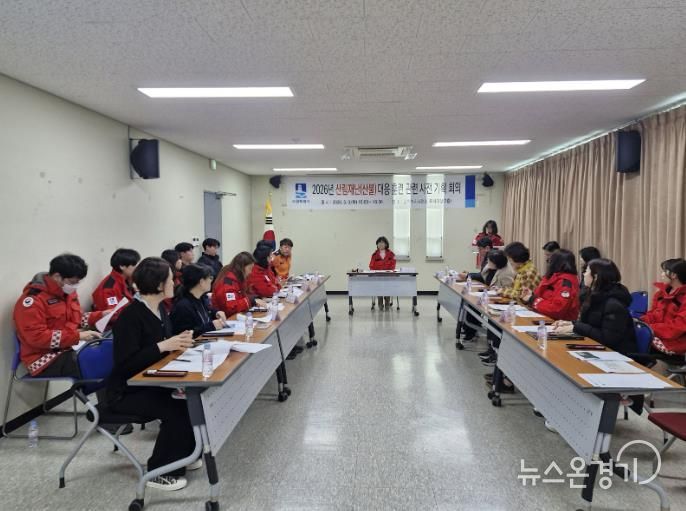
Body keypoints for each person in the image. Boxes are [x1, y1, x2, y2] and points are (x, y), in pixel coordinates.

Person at [107, 257, 198, 491]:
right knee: (176, 409)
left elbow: (160, 346)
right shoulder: (130, 316)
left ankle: (183, 456)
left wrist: (178, 342)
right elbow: (126, 363)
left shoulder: (160, 310)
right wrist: (164, 346)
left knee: (190, 400)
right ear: (158, 284)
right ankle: (160, 471)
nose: (174, 283)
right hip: (125, 391)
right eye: (170, 280)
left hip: (151, 381)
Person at [13, 254, 104, 377]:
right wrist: (77, 336)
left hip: (68, 347)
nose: (75, 286)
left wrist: (101, 315)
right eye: (72, 282)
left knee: (105, 349)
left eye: (78, 282)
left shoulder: (67, 292)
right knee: (94, 362)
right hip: (43, 359)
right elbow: (37, 337)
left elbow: (76, 319)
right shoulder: (33, 301)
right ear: (57, 276)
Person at [552, 258, 637, 355]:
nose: (584, 274)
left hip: (617, 354)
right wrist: (570, 323)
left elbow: (608, 339)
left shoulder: (614, 305)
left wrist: (575, 327)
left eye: (586, 271)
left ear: (595, 276)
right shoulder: (594, 296)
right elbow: (592, 323)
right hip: (598, 349)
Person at [642, 259, 686, 355]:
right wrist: (640, 321)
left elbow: (676, 328)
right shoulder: (660, 294)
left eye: (664, 271)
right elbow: (653, 315)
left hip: (675, 342)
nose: (661, 274)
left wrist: (648, 328)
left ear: (674, 275)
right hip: (658, 335)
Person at [521, 249, 580, 321]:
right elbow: (541, 296)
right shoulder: (552, 277)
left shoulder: (566, 282)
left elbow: (557, 309)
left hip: (558, 323)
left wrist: (532, 300)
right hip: (542, 317)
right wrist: (530, 295)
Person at [170, 264, 227, 337]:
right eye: (210, 278)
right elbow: (185, 334)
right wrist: (211, 326)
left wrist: (216, 313)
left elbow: (207, 312)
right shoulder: (183, 306)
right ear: (201, 282)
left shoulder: (201, 297)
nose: (211, 281)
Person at [92, 248, 141, 323]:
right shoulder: (109, 288)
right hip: (112, 325)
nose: (137, 268)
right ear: (122, 266)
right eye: (134, 265)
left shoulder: (127, 279)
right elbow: (113, 315)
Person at [212, 252, 260, 316]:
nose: (250, 272)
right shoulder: (228, 282)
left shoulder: (238, 278)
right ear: (242, 267)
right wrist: (250, 300)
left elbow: (243, 296)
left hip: (235, 316)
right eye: (250, 268)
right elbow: (231, 308)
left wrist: (254, 299)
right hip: (225, 318)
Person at [369, 236, 396, 310]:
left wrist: (383, 268)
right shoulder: (374, 255)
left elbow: (393, 265)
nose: (380, 244)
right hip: (378, 276)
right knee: (379, 288)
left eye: (382, 242)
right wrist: (380, 268)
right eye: (379, 243)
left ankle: (387, 303)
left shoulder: (391, 254)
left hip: (388, 276)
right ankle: (380, 303)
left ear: (386, 244)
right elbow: (371, 266)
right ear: (377, 244)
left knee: (387, 288)